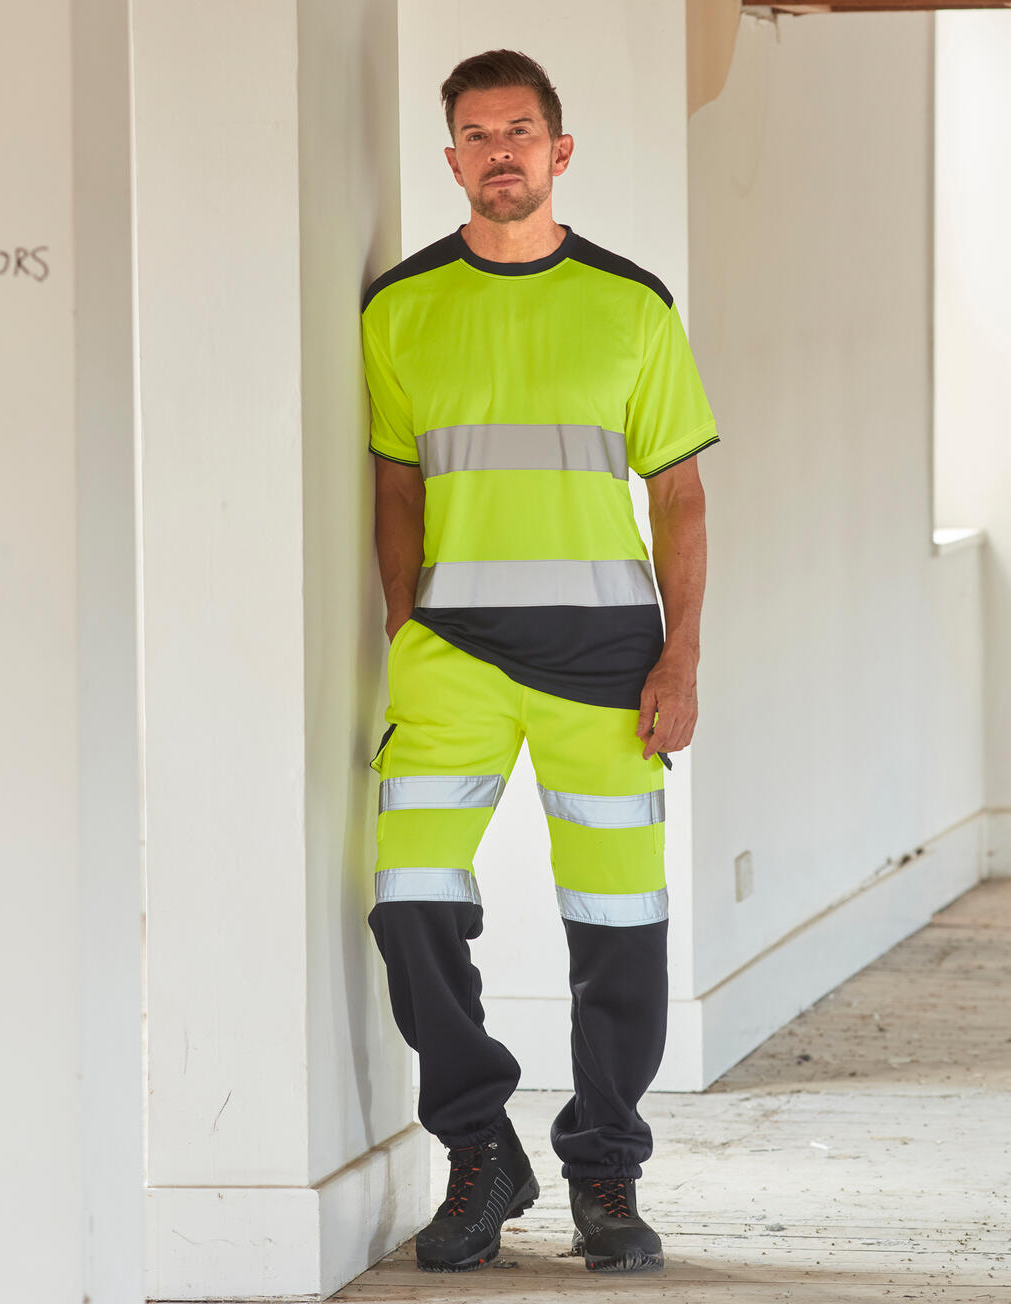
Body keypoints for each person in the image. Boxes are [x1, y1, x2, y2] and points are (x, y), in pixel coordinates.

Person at [360, 48, 719, 1275]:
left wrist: (679, 657)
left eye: (519, 130)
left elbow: (678, 494)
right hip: (451, 656)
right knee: (409, 904)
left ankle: (605, 1170)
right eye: (476, 133)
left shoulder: (631, 303)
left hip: (606, 661)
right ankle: (480, 1149)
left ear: (558, 151)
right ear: (451, 157)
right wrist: (405, 621)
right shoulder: (399, 307)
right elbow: (395, 485)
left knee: (617, 927)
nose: (499, 150)